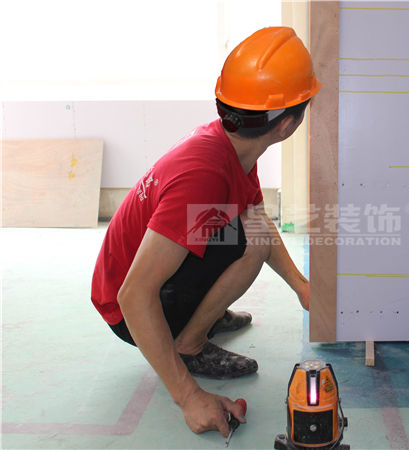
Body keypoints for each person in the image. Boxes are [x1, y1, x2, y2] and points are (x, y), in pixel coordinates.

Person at [90, 26, 321, 436]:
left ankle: (203, 315)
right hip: (129, 311)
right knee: (253, 243)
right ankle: (189, 343)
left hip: (141, 280)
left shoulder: (234, 148)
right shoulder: (204, 174)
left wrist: (302, 287)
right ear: (286, 125)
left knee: (253, 230)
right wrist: (189, 397)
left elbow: (256, 221)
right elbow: (133, 294)